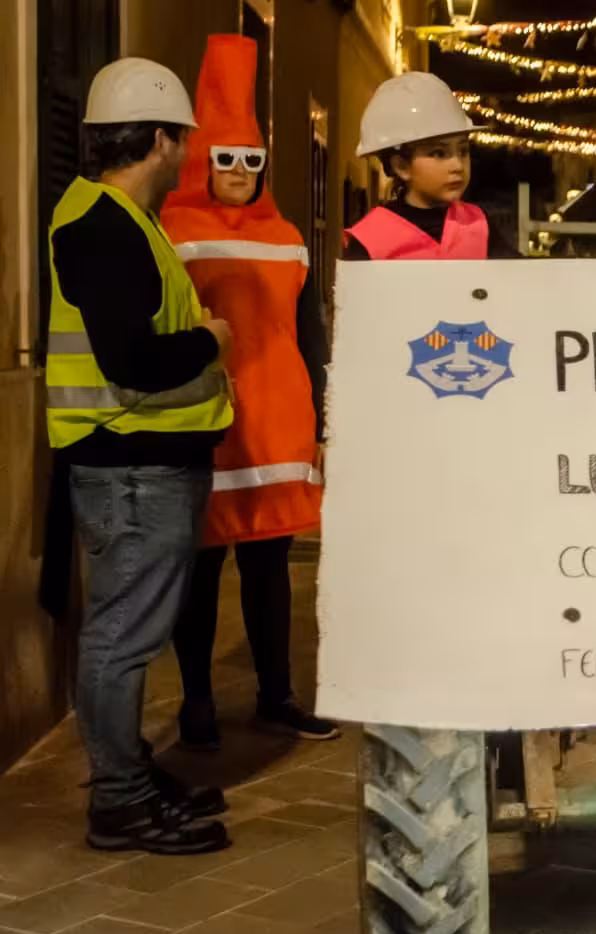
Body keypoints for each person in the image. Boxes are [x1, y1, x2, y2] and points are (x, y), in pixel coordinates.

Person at [46, 57, 234, 855]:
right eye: (183, 139)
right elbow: (130, 362)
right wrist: (210, 339)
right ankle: (118, 800)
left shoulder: (121, 219)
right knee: (122, 637)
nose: (187, 154)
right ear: (161, 140)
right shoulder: (103, 227)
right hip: (130, 465)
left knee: (127, 634)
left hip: (138, 462)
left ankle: (128, 774)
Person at [162, 35, 339, 749]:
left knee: (269, 569)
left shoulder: (289, 236)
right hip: (206, 423)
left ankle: (276, 695)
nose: (239, 172)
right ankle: (197, 702)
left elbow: (310, 335)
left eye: (252, 160)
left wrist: (323, 419)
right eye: (227, 158)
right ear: (204, 160)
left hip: (276, 427)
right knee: (201, 569)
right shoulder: (172, 232)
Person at [343, 71, 520, 261]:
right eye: (439, 153)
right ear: (402, 166)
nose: (457, 165)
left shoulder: (480, 226)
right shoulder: (370, 238)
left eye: (463, 151)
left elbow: (521, 275)